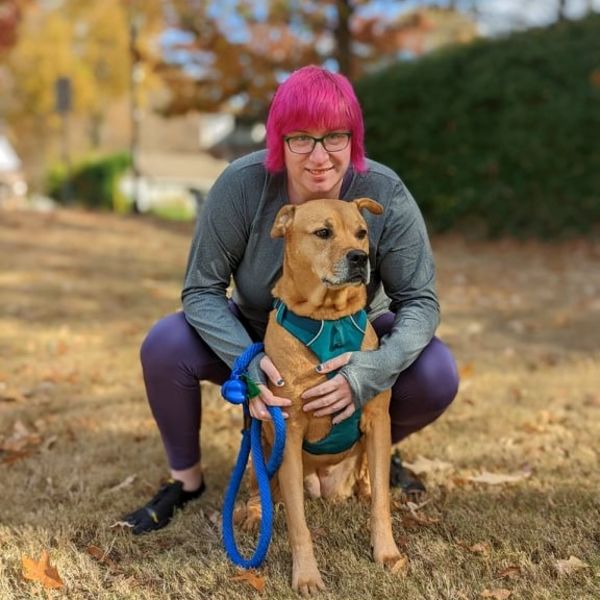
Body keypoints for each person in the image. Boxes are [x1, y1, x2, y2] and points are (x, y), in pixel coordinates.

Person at [123, 65, 459, 534]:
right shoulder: (242, 185)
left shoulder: (385, 193)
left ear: (353, 141)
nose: (319, 156)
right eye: (302, 137)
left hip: (354, 335)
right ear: (279, 141)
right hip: (261, 330)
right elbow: (201, 289)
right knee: (166, 344)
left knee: (436, 372)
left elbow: (420, 300)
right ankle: (186, 481)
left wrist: (369, 372)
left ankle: (359, 450)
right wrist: (247, 360)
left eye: (335, 137)